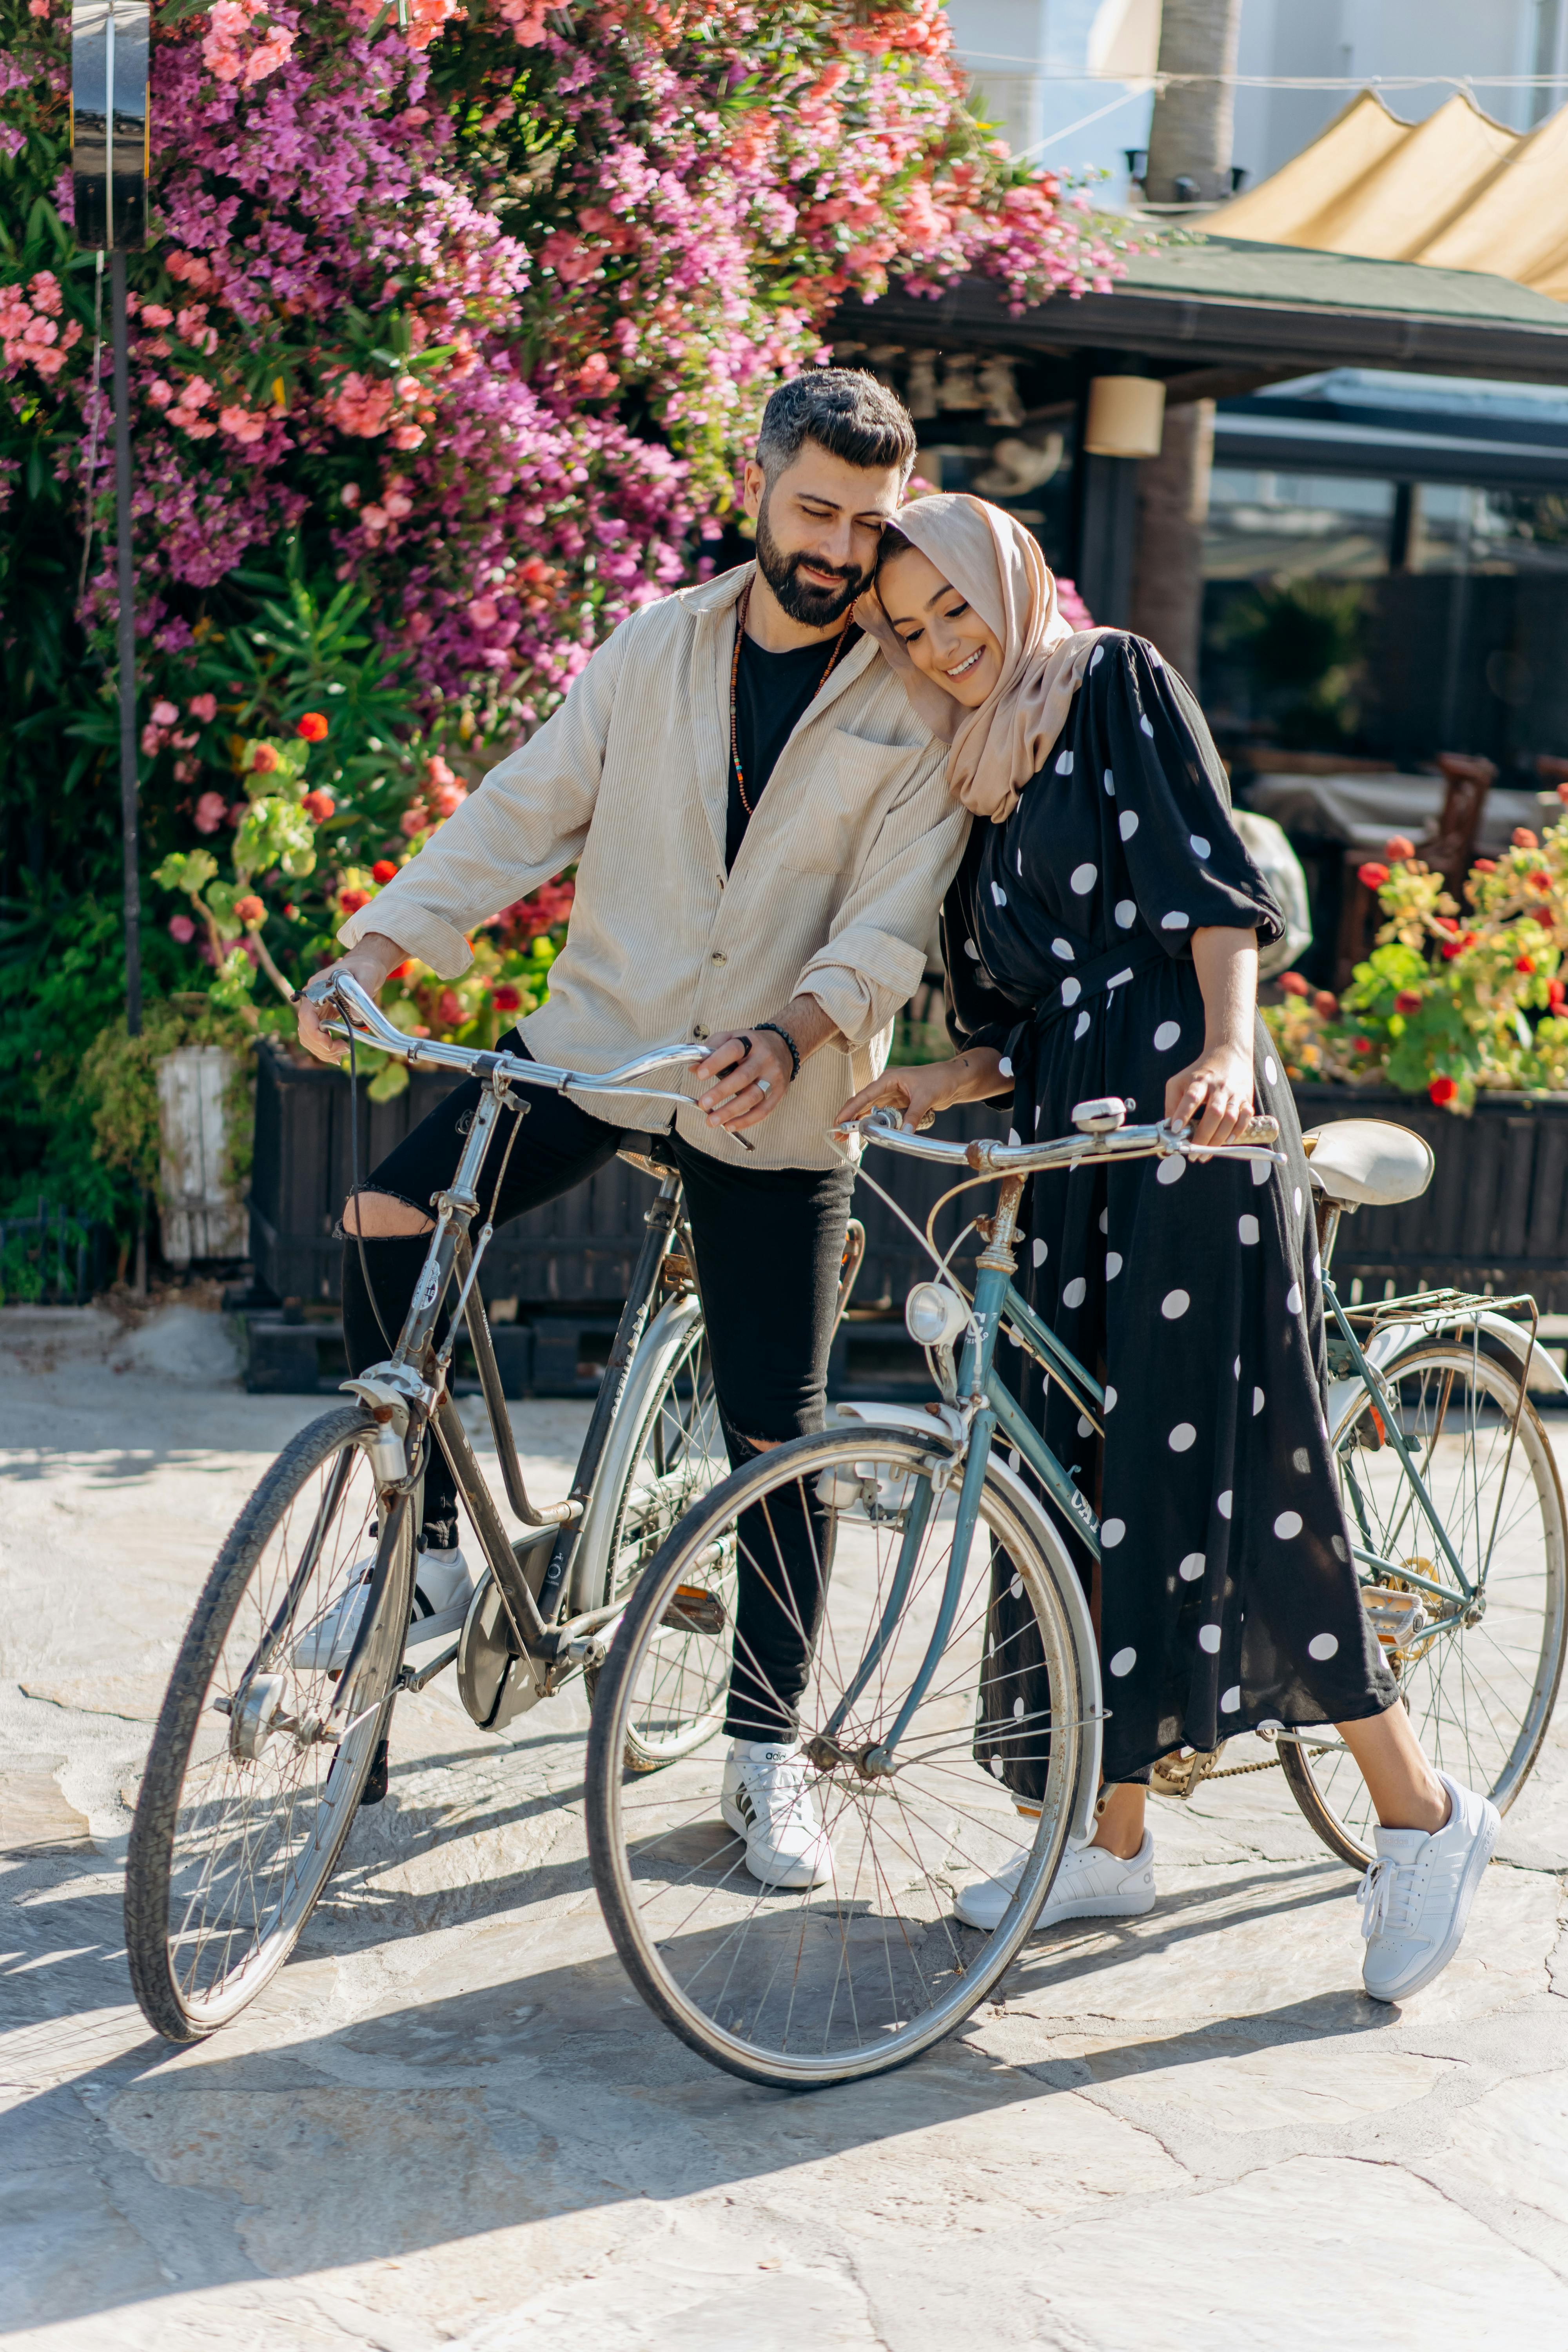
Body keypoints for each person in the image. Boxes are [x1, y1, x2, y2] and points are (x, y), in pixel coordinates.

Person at [294, 370, 969, 1890]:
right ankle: (430, 1560)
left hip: (778, 1091)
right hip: (599, 1049)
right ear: (756, 486)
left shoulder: (915, 697)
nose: (838, 549)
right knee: (387, 1221)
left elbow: (891, 923)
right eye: (814, 511)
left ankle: (762, 1750)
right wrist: (376, 952)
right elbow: (520, 811)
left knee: (776, 1438)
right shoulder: (656, 645)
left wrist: (795, 1033)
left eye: (868, 524)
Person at [837, 493, 1497, 2004]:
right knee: (1074, 1478)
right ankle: (1109, 1839)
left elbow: (1214, 896)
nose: (944, 644)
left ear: (1013, 581)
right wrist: (941, 1077)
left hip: (1195, 1123)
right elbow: (1027, 1021)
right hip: (1074, 1147)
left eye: (957, 607)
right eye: (913, 629)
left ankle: (1421, 1815)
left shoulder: (1110, 679)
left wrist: (1225, 1048)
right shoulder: (978, 774)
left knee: (1235, 1473)